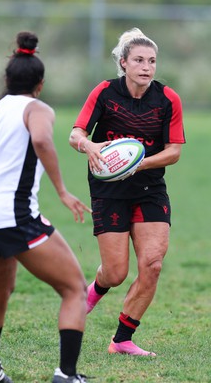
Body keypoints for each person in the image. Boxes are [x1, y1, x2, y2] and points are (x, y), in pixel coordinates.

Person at [0, 31, 91, 383]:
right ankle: (67, 374)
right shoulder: (37, 108)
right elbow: (42, 138)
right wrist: (62, 191)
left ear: (7, 79)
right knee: (74, 288)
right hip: (12, 214)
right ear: (39, 84)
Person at [69, 27, 185, 356]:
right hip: (108, 189)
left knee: (152, 264)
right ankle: (92, 291)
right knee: (117, 272)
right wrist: (88, 144)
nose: (146, 66)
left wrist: (138, 164)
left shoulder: (167, 99)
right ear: (124, 63)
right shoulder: (105, 93)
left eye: (151, 61)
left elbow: (174, 151)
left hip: (149, 187)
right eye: (138, 60)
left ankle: (121, 339)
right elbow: (75, 134)